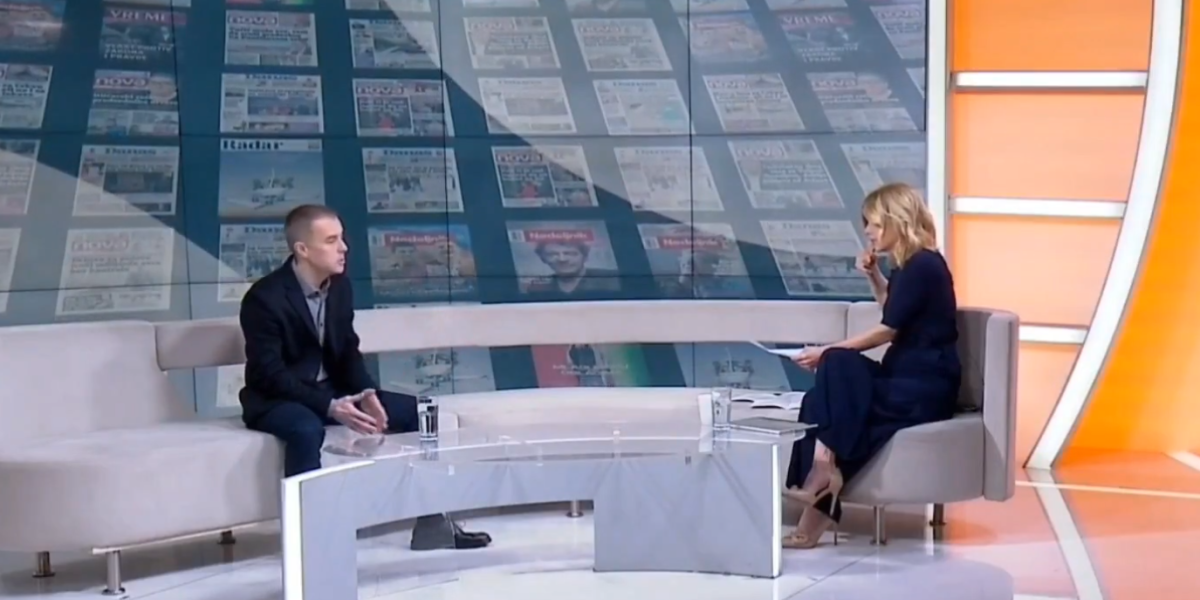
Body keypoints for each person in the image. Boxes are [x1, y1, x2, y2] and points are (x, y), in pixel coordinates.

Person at [238, 204, 492, 551]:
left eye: (342, 238)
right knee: (305, 430)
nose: (344, 248)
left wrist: (367, 392)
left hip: (334, 391)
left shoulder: (339, 288)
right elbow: (270, 374)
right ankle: (310, 540)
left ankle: (434, 524)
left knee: (422, 413)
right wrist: (330, 406)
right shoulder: (264, 298)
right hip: (277, 399)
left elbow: (347, 351)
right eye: (331, 241)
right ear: (303, 249)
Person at [782, 183, 961, 549]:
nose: (868, 231)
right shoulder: (909, 266)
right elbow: (893, 309)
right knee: (818, 400)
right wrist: (874, 276)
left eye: (875, 223)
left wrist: (824, 350)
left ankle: (822, 474)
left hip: (924, 383)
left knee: (836, 361)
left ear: (898, 220)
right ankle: (821, 486)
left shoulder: (924, 265)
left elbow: (888, 330)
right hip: (901, 376)